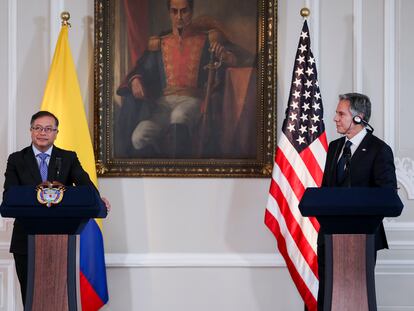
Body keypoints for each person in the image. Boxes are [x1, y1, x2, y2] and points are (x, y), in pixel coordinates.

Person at [116, 0, 249, 158]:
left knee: (179, 116)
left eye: (184, 11)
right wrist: (135, 80)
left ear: (191, 12)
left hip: (192, 101)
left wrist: (226, 56)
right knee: (138, 136)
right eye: (174, 11)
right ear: (169, 13)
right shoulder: (159, 42)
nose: (179, 16)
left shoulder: (209, 39)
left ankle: (180, 169)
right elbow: (142, 68)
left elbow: (242, 57)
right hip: (163, 105)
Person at [3, 111, 110, 306]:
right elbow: (10, 195)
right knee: (32, 299)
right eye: (38, 128)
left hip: (62, 241)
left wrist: (97, 200)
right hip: (25, 241)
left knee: (61, 300)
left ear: (56, 133)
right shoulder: (17, 159)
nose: (42, 133)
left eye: (48, 129)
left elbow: (85, 185)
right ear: (31, 131)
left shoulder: (68, 158)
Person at [317, 93, 397, 310]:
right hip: (329, 238)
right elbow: (326, 191)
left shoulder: (379, 150)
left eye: (341, 113)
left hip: (363, 237)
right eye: (337, 113)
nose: (335, 118)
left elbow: (388, 196)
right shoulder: (334, 148)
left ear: (359, 118)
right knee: (327, 296)